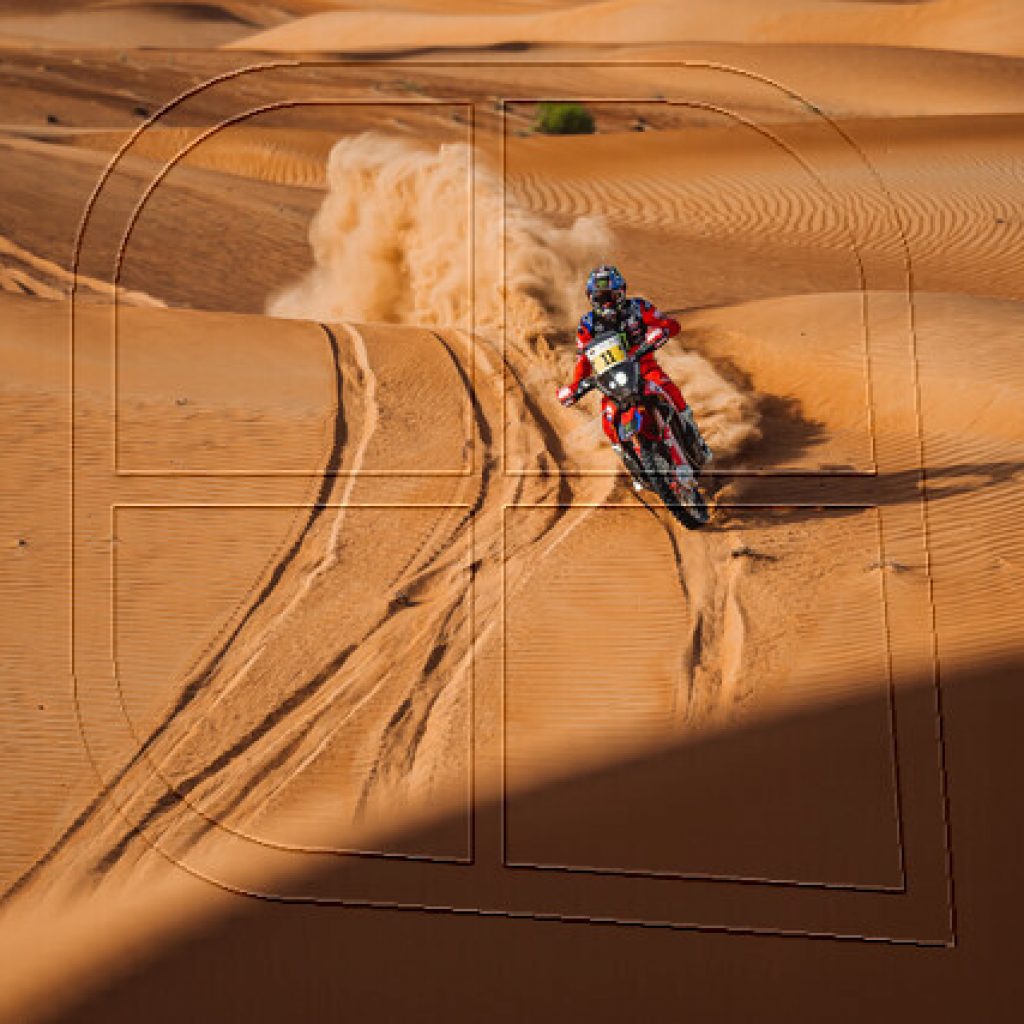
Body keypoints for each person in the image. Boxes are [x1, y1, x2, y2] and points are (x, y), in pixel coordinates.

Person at [556, 265, 712, 477]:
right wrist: (575, 385)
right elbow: (583, 359)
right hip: (610, 379)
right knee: (608, 419)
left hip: (644, 367)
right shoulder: (587, 325)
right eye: (601, 298)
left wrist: (663, 329)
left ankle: (695, 438)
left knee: (669, 390)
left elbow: (667, 323)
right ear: (591, 299)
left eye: (612, 296)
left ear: (622, 292)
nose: (607, 303)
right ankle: (630, 460)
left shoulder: (638, 307)